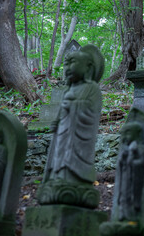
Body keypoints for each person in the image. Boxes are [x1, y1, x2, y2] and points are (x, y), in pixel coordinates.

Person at [44, 45, 104, 185]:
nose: (68, 68)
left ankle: (76, 179)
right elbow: (61, 111)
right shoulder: (68, 90)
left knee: (72, 156)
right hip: (64, 132)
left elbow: (92, 112)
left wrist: (73, 106)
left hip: (79, 135)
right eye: (66, 64)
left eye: (73, 63)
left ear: (88, 67)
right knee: (59, 154)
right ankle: (57, 177)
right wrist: (57, 121)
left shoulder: (91, 88)